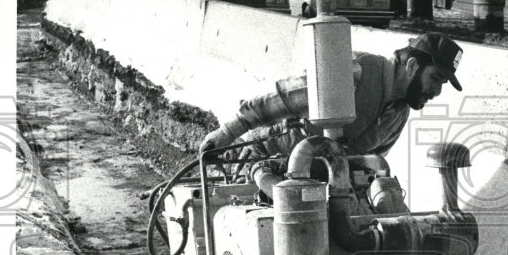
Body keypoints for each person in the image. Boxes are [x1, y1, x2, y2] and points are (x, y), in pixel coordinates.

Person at [199, 31, 464, 159]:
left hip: (316, 185)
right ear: (412, 66)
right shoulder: (356, 72)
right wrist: (227, 133)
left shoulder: (399, 112)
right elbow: (281, 101)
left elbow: (372, 161)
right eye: (436, 79)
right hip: (266, 159)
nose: (437, 91)